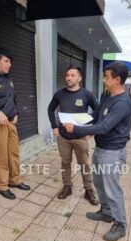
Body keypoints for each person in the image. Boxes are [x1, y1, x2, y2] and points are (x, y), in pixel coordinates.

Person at [64, 62, 131, 241]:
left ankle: (120, 224)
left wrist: (77, 130)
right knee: (99, 182)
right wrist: (79, 122)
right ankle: (106, 211)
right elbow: (97, 116)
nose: (104, 80)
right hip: (101, 148)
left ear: (117, 79)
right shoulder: (107, 96)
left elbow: (104, 127)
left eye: (107, 77)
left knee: (112, 188)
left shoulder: (123, 102)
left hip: (113, 151)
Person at [48, 65, 99, 205]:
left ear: (79, 78)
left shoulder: (87, 94)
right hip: (63, 137)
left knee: (84, 164)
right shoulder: (59, 94)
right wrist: (54, 127)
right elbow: (50, 109)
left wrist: (90, 129)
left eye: (72, 75)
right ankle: (67, 187)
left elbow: (98, 111)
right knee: (65, 163)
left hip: (80, 136)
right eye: (67, 75)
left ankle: (89, 190)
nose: (68, 78)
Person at [0, 48, 30, 200]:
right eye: (6, 61)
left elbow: (13, 97)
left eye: (10, 61)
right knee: (1, 156)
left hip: (11, 122)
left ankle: (14, 180)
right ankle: (2, 185)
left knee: (14, 153)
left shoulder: (8, 78)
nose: (9, 64)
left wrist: (16, 112)